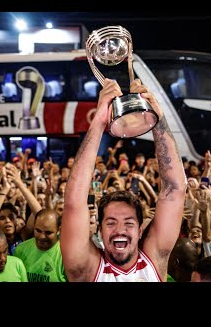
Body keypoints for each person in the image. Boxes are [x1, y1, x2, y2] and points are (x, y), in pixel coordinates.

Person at [61, 78, 187, 282]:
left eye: (129, 223)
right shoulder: (87, 269)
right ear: (99, 231)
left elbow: (175, 189)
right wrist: (99, 120)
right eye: (110, 223)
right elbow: (74, 202)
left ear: (140, 230)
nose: (120, 231)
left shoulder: (154, 260)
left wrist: (158, 116)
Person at [14, 209, 67, 282]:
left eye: (48, 233)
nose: (42, 236)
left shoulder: (66, 255)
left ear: (58, 230)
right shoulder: (20, 250)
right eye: (38, 231)